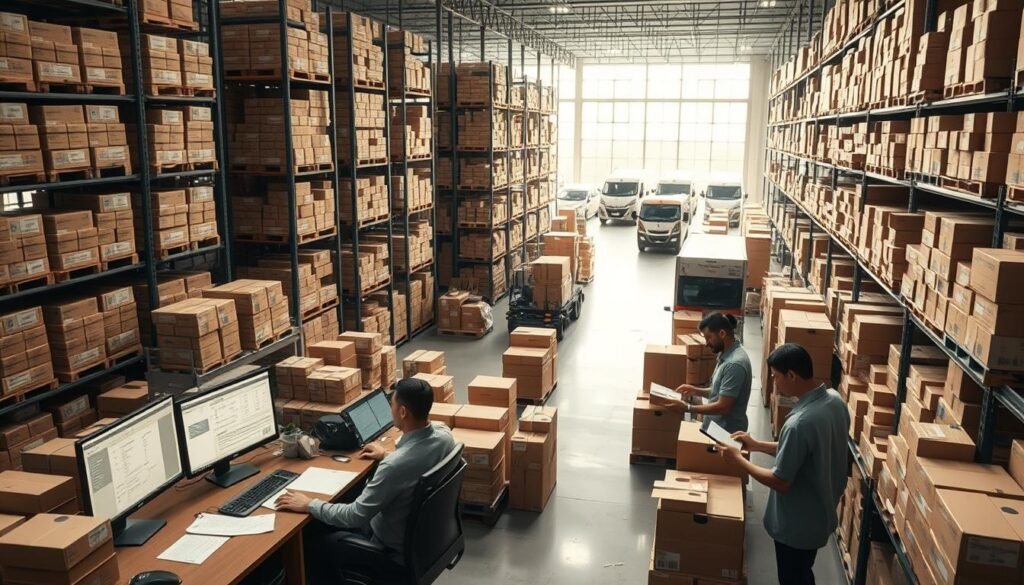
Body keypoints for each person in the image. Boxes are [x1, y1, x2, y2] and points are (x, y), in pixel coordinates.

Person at [275, 378, 455, 583]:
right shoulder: (444, 435)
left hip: (389, 550)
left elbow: (354, 516)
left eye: (392, 404)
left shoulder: (395, 466)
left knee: (313, 542)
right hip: (426, 541)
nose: (391, 409)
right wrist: (386, 455)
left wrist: (309, 504)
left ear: (403, 412)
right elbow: (417, 461)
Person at [720, 343, 850, 585]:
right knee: (803, 572)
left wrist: (739, 460)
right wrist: (757, 444)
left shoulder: (798, 424)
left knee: (793, 578)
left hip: (796, 525)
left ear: (791, 375)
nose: (774, 382)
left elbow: (780, 481)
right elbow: (804, 451)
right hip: (820, 513)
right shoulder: (834, 402)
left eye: (775, 376)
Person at [671, 312, 752, 433]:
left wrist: (688, 408)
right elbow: (719, 392)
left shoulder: (734, 365)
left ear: (722, 334)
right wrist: (695, 390)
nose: (706, 343)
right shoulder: (725, 354)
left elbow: (723, 407)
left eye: (709, 337)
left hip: (724, 433)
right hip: (715, 428)